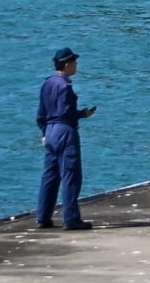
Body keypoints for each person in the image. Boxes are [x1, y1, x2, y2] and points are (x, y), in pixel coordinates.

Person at [36, 47, 97, 231]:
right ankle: (70, 218)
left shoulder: (47, 84)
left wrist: (45, 133)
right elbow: (65, 112)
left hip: (50, 130)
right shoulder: (66, 86)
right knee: (71, 175)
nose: (76, 65)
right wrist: (82, 114)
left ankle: (43, 216)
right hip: (65, 131)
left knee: (50, 175)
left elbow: (41, 114)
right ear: (67, 64)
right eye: (75, 62)